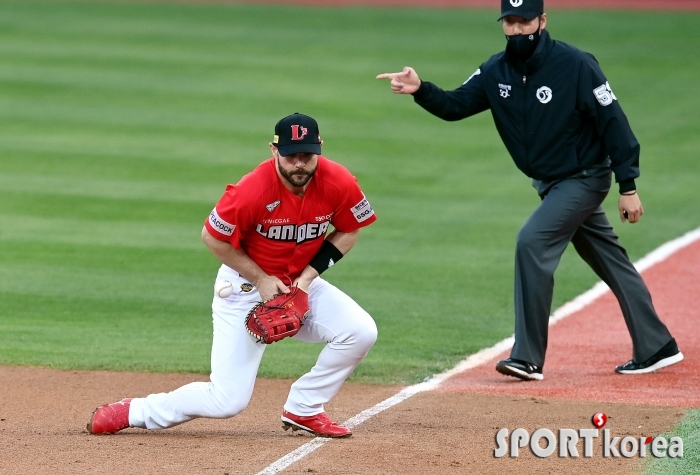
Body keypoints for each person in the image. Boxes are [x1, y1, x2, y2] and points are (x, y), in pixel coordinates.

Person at [377, 0, 682, 381]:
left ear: (542, 20)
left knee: (531, 243)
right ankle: (658, 346)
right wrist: (421, 89)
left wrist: (629, 185)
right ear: (503, 25)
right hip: (551, 184)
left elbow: (613, 123)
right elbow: (456, 104)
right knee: (611, 262)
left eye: (525, 21)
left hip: (584, 178)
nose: (517, 30)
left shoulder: (576, 65)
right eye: (510, 22)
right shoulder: (495, 70)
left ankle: (527, 358)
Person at [88, 113, 378, 437]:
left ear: (320, 148)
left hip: (299, 284)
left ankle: (305, 408)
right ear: (273, 150)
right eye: (291, 155)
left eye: (307, 155)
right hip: (243, 289)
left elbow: (350, 229)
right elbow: (212, 236)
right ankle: (135, 411)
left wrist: (307, 279)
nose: (299, 164)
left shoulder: (338, 182)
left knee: (360, 331)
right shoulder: (252, 190)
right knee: (226, 400)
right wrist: (261, 280)